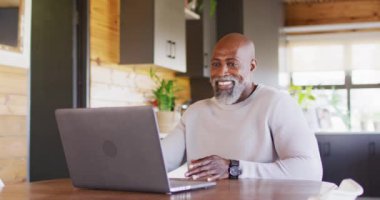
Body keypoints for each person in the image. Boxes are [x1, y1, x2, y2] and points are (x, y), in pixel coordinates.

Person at [161, 33, 323, 182]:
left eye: (232, 63)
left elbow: (310, 170)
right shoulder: (195, 112)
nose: (222, 72)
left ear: (252, 66)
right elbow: (160, 162)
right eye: (216, 64)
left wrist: (233, 168)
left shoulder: (277, 103)